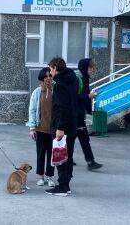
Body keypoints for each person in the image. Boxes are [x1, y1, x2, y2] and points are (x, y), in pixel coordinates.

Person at [45, 57, 79, 197]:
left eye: (50, 69)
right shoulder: (73, 79)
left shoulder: (60, 84)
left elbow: (62, 107)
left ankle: (62, 186)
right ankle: (66, 184)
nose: (50, 72)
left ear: (55, 68)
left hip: (63, 127)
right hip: (72, 125)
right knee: (68, 156)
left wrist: (60, 128)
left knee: (60, 156)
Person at [27, 67, 55, 188]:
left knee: (52, 154)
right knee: (40, 153)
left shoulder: (55, 90)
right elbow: (32, 110)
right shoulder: (37, 92)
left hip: (53, 129)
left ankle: (49, 177)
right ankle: (41, 176)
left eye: (50, 76)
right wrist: (32, 128)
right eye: (46, 76)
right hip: (40, 128)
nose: (49, 78)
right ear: (42, 78)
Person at [75, 58, 103, 171]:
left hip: (79, 114)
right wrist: (89, 96)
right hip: (75, 114)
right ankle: (90, 162)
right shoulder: (77, 79)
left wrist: (89, 113)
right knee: (81, 138)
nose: (92, 70)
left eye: (92, 68)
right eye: (90, 67)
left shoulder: (84, 79)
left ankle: (88, 161)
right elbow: (75, 98)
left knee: (79, 138)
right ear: (85, 67)